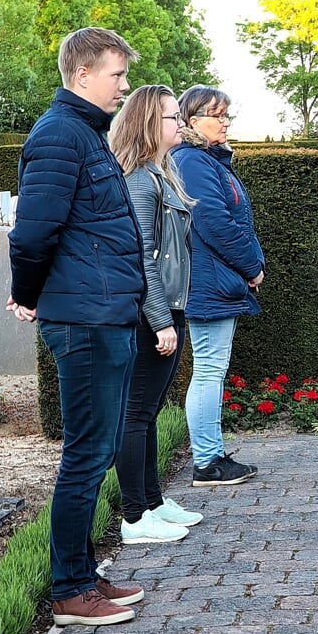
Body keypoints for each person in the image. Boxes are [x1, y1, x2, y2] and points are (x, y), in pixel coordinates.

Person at [9, 26, 148, 626]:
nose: (124, 86)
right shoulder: (61, 135)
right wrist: (27, 294)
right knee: (87, 453)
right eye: (117, 75)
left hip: (103, 311)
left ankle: (82, 574)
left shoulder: (84, 135)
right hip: (85, 318)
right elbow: (33, 230)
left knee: (99, 447)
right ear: (83, 74)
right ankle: (69, 590)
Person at [111, 84, 205, 543]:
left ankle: (152, 501)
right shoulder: (138, 181)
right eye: (173, 117)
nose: (180, 124)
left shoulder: (160, 174)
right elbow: (142, 256)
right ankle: (133, 518)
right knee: (136, 412)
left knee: (147, 412)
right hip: (155, 312)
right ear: (150, 122)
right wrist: (161, 319)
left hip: (170, 307)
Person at [171, 85, 266, 487]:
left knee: (211, 368)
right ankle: (208, 462)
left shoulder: (203, 159)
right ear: (192, 121)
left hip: (213, 279)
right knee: (209, 369)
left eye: (226, 114)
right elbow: (214, 222)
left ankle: (211, 457)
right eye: (217, 114)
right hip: (210, 282)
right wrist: (251, 267)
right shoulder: (193, 160)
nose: (225, 121)